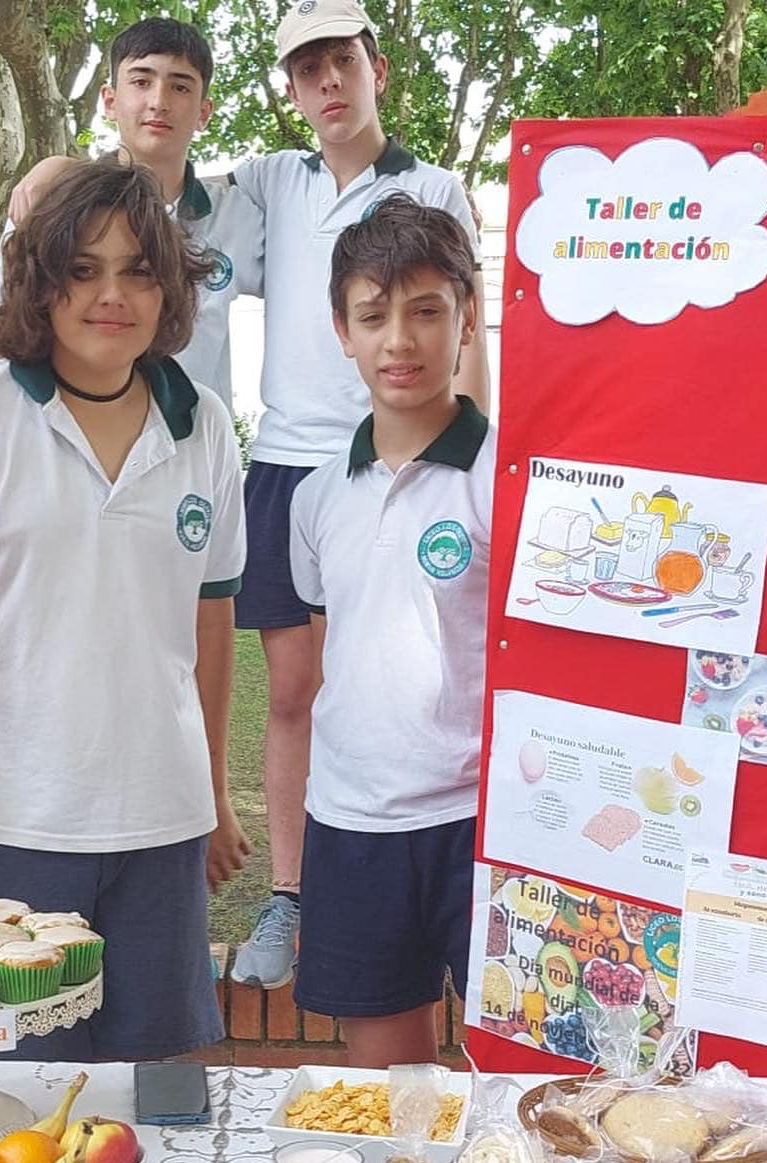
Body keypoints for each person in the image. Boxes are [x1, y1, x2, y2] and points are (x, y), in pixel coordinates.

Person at [0, 161, 250, 1061]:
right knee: (10, 1110)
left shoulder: (209, 429)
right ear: (39, 281)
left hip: (160, 823)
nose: (112, 294)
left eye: (139, 269)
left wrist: (216, 796)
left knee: (153, 1105)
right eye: (82, 269)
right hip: (2, 821)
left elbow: (210, 624)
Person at [226, 0, 490, 991]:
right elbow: (157, 199)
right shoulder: (267, 183)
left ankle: (458, 845)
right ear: (290, 91)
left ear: (376, 66)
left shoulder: (435, 186)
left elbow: (473, 324)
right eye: (306, 70)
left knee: (431, 665)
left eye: (342, 60)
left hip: (422, 455)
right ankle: (294, 890)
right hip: (297, 466)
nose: (327, 82)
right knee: (301, 692)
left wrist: (474, 449)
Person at [287, 193, 493, 1066]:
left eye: (425, 312)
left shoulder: (510, 482)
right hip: (354, 822)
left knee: (518, 1076)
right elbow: (333, 643)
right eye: (374, 317)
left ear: (468, 319)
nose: (400, 342)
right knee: (391, 1092)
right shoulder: (315, 496)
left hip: (484, 822)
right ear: (343, 331)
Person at [0, 17, 262, 413]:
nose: (159, 101)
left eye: (179, 86)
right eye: (141, 82)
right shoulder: (51, 202)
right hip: (64, 446)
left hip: (190, 453)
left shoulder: (238, 214)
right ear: (109, 100)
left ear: (204, 111)